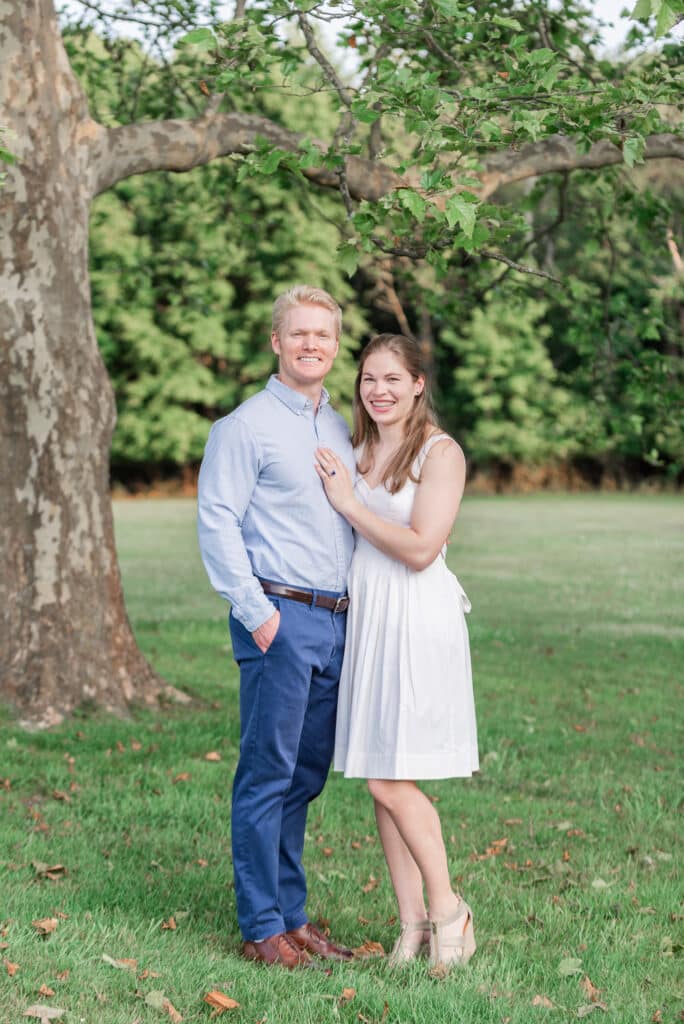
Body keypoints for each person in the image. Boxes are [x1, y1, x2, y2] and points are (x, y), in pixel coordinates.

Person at [197, 285, 356, 969]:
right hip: (279, 616)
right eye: (299, 334)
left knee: (304, 777)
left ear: (336, 344)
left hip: (335, 620)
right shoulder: (245, 426)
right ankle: (261, 924)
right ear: (276, 342)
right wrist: (259, 617)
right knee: (267, 775)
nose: (311, 344)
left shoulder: (341, 428)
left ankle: (293, 915)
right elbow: (217, 521)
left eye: (322, 334)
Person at [314, 333, 479, 975]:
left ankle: (449, 911)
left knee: (390, 775)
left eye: (391, 379)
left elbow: (420, 548)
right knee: (379, 777)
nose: (377, 390)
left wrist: (352, 505)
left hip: (417, 619)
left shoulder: (441, 453)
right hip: (370, 620)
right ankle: (411, 923)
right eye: (367, 379)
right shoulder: (357, 449)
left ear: (417, 384)